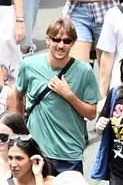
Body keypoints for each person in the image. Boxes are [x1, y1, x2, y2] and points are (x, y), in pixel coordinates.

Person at [13, 17, 100, 176]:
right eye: (56, 40)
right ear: (47, 39)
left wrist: (68, 95)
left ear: (73, 43)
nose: (61, 45)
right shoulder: (29, 65)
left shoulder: (84, 71)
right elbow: (17, 96)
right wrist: (20, 133)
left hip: (69, 153)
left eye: (67, 41)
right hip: (36, 152)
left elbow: (91, 113)